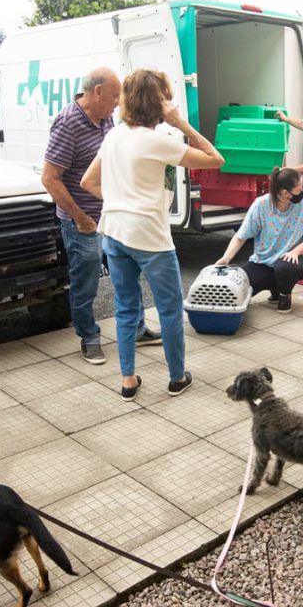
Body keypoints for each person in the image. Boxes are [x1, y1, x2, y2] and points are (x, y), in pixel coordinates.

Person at [81, 69, 224, 399]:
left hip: (114, 232)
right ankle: (177, 378)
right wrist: (181, 124)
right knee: (169, 309)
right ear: (159, 102)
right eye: (167, 98)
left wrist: (119, 200)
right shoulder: (160, 140)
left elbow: (87, 182)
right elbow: (216, 159)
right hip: (149, 236)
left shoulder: (113, 135)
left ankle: (128, 380)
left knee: (127, 308)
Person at [42, 67, 160, 365]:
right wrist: (80, 218)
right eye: (114, 96)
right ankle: (89, 336)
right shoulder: (68, 124)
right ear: (96, 93)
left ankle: (136, 328)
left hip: (113, 216)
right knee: (86, 282)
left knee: (127, 275)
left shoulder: (106, 118)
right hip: (83, 220)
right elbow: (50, 178)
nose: (119, 103)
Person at [215, 167, 303, 314]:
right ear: (286, 193)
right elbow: (241, 236)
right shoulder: (261, 205)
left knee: (284, 266)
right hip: (264, 261)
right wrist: (226, 258)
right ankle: (275, 287)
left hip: (297, 260)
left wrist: (295, 252)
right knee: (239, 286)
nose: (302, 191)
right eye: (299, 189)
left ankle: (284, 295)